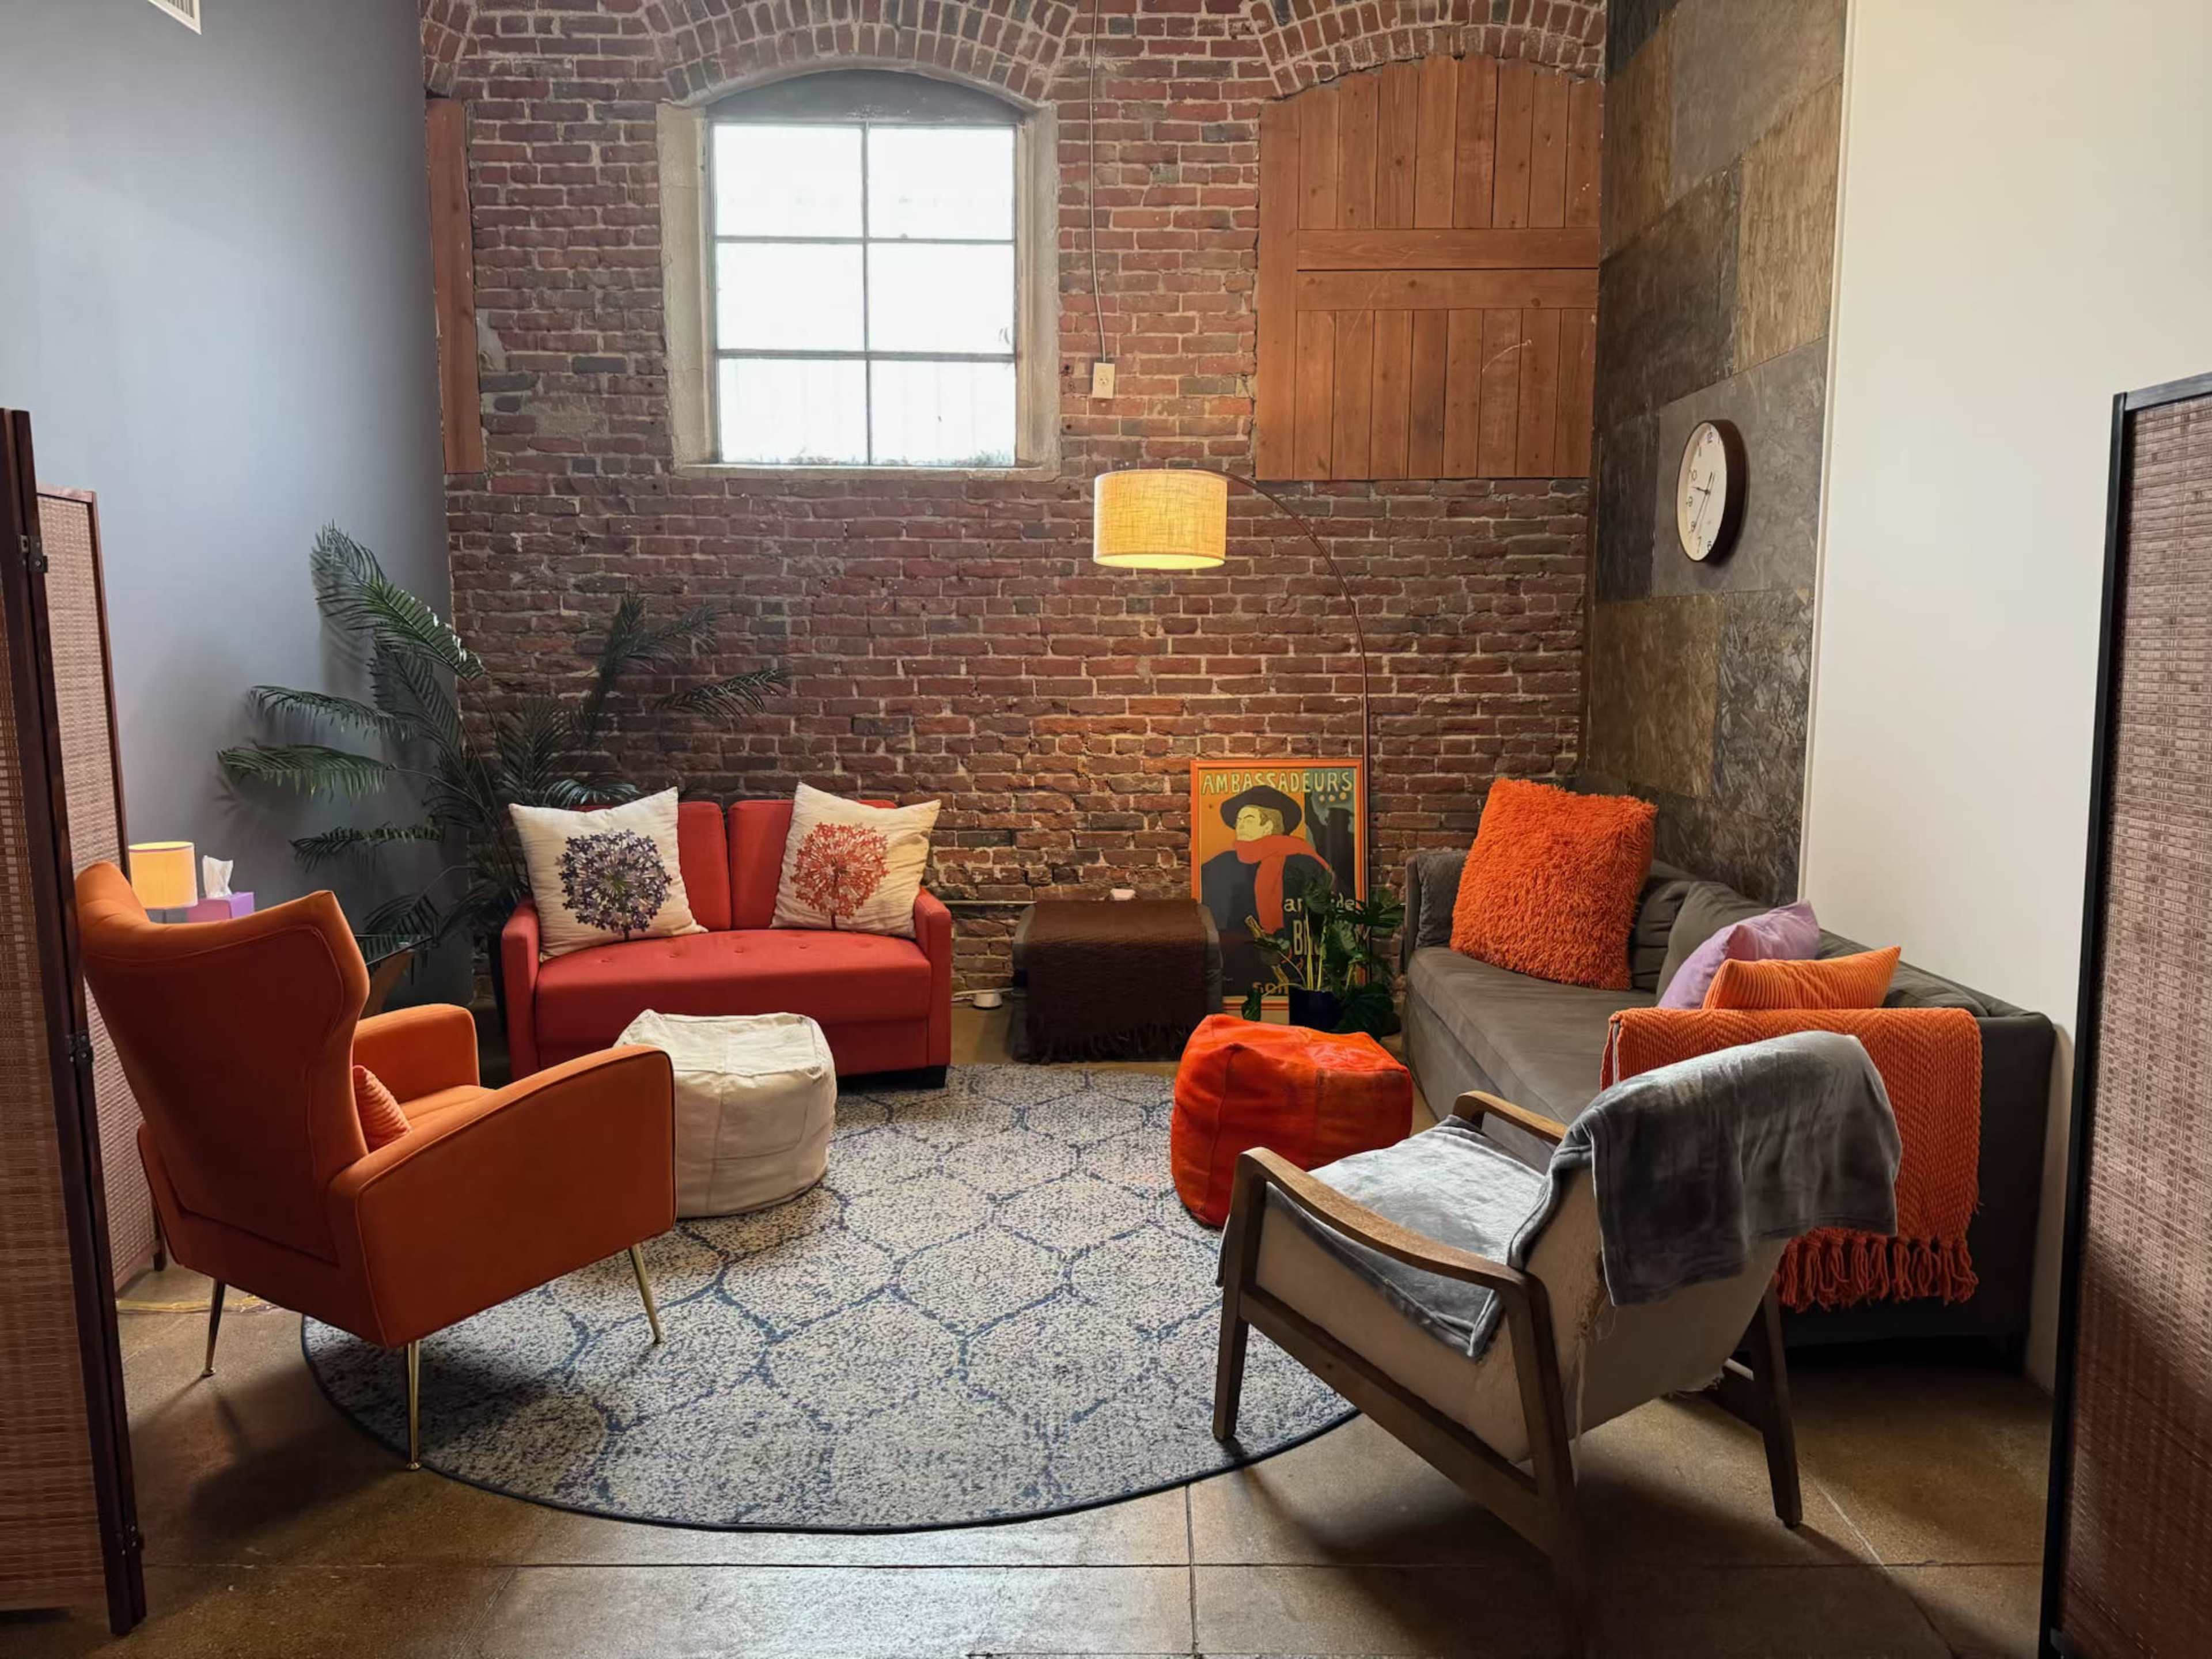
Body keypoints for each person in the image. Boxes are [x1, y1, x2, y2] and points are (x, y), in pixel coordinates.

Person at [1200, 785, 1334, 998]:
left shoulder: (1305, 864)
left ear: (1269, 825)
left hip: (1299, 971)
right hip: (1238, 970)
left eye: (1248, 819)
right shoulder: (1218, 865)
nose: (1239, 826)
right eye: (1238, 821)